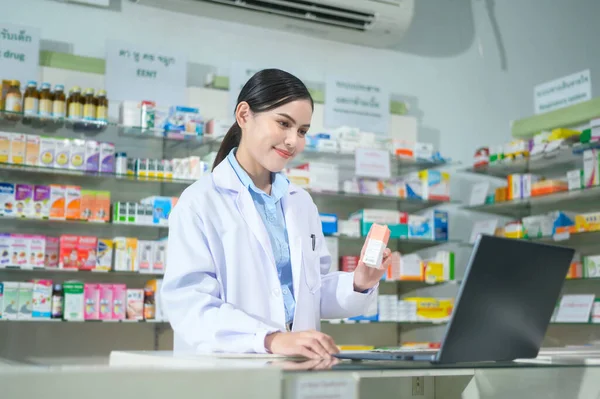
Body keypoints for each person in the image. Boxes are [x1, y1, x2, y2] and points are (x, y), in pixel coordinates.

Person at [161, 69, 392, 359]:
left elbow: (311, 293)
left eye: (302, 131)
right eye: (284, 123)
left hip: (294, 366)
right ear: (244, 115)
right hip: (226, 371)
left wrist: (360, 282)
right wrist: (269, 339)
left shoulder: (300, 202)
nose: (293, 140)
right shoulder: (200, 201)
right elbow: (190, 305)